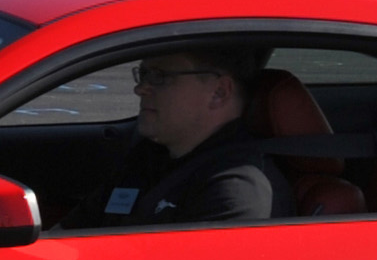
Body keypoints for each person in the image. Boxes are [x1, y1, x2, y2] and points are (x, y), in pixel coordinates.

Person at [104, 43, 285, 224]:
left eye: (160, 76)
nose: (140, 89)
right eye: (144, 75)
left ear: (219, 93)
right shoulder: (148, 155)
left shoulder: (235, 188)